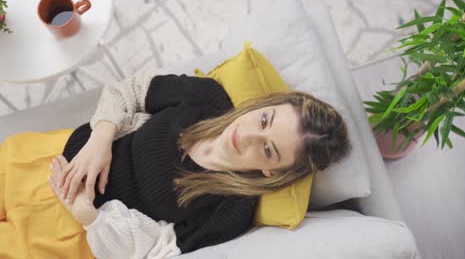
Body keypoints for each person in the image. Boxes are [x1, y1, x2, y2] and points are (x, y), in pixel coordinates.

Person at [45, 69, 351, 258]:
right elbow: (131, 90)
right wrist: (101, 139)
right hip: (49, 158)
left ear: (273, 171)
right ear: (266, 105)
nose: (246, 136)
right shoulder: (207, 97)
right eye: (263, 119)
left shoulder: (231, 210)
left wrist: (89, 215)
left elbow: (156, 251)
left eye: (268, 149)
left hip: (69, 233)